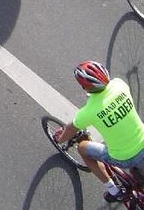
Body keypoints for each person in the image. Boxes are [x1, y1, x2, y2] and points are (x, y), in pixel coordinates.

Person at [53, 61, 144, 202]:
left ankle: (114, 190)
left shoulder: (88, 112)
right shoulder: (120, 85)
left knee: (82, 148)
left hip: (125, 157)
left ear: (84, 87)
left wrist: (61, 139)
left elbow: (70, 129)